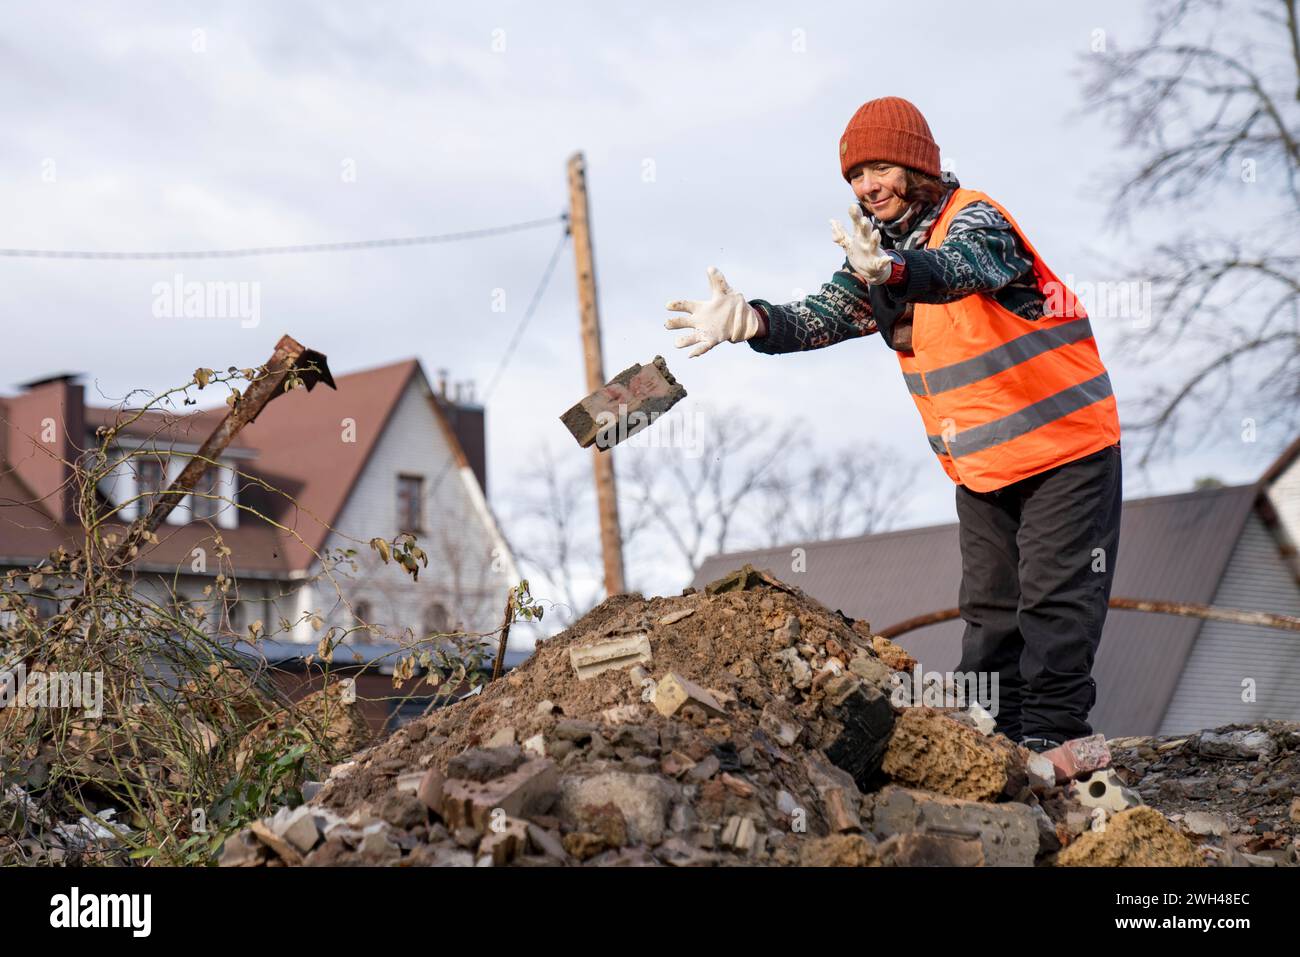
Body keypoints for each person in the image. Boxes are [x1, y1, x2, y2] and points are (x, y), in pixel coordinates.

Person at [664, 96, 1122, 751]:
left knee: (1053, 607)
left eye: (879, 168)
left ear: (917, 167)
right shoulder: (876, 255)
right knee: (990, 620)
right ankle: (994, 752)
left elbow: (961, 270)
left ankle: (1057, 748)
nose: (866, 186)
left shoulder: (976, 222)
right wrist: (755, 322)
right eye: (855, 175)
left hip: (1067, 451)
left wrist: (896, 270)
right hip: (984, 468)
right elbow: (822, 314)